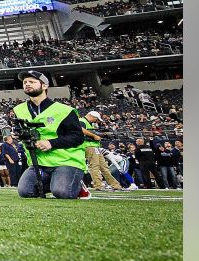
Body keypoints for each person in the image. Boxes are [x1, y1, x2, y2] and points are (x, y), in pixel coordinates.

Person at [12, 71, 90, 199]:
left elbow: (78, 137)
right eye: (25, 82)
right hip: (39, 162)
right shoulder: (19, 109)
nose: (27, 84)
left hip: (65, 160)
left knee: (62, 193)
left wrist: (51, 143)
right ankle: (58, 181)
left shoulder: (64, 110)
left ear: (44, 86)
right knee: (25, 192)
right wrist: (18, 134)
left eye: (32, 82)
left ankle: (77, 184)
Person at [81, 110, 122, 192]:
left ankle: (116, 185)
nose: (96, 121)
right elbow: (81, 129)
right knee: (94, 166)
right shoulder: (82, 121)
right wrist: (94, 135)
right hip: (89, 146)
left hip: (95, 147)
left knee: (104, 167)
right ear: (92, 116)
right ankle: (98, 185)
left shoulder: (88, 123)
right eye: (96, 119)